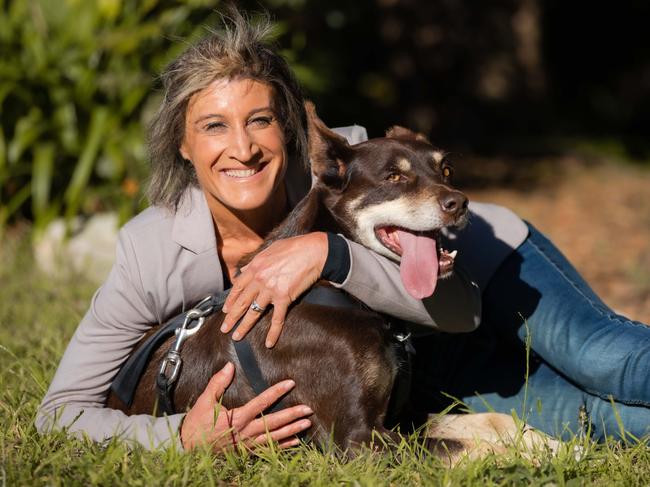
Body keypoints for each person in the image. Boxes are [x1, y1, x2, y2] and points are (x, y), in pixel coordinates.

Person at [36, 12, 650, 452]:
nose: (243, 148)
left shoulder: (344, 168)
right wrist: (178, 435)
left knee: (610, 364)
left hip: (482, 266)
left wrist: (329, 251)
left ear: (290, 131)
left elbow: (460, 307)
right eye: (215, 127)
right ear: (184, 144)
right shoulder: (152, 251)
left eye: (260, 120)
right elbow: (59, 414)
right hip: (415, 354)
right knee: (591, 420)